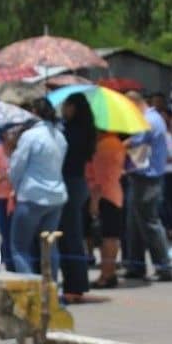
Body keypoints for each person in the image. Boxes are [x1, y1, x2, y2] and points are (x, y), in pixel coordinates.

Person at [9, 99, 68, 277]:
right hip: (56, 196)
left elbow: (16, 167)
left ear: (34, 112)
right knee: (49, 245)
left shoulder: (30, 136)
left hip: (32, 195)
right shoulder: (60, 136)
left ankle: (30, 290)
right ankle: (52, 288)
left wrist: (15, 187)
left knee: (20, 247)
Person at [123, 91, 172, 281]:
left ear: (134, 103)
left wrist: (114, 146)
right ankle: (136, 265)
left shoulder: (147, 120)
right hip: (142, 177)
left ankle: (164, 266)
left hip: (147, 179)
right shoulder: (153, 117)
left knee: (149, 224)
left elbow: (135, 141)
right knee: (135, 224)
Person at [58, 93, 96, 303]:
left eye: (66, 106)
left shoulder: (71, 132)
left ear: (73, 107)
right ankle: (75, 284)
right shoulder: (84, 130)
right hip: (78, 183)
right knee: (72, 234)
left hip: (70, 183)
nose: (63, 110)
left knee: (70, 236)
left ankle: (75, 285)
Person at [86, 131, 127, 288]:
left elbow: (100, 179)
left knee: (107, 238)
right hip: (115, 193)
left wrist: (94, 202)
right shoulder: (117, 144)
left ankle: (106, 274)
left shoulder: (102, 146)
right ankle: (110, 273)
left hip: (105, 196)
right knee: (112, 237)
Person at [0, 125, 20, 269]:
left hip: (17, 198)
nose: (14, 135)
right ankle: (9, 264)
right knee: (5, 233)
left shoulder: (21, 149)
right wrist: (3, 177)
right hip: (1, 198)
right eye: (11, 132)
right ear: (4, 135)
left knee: (16, 235)